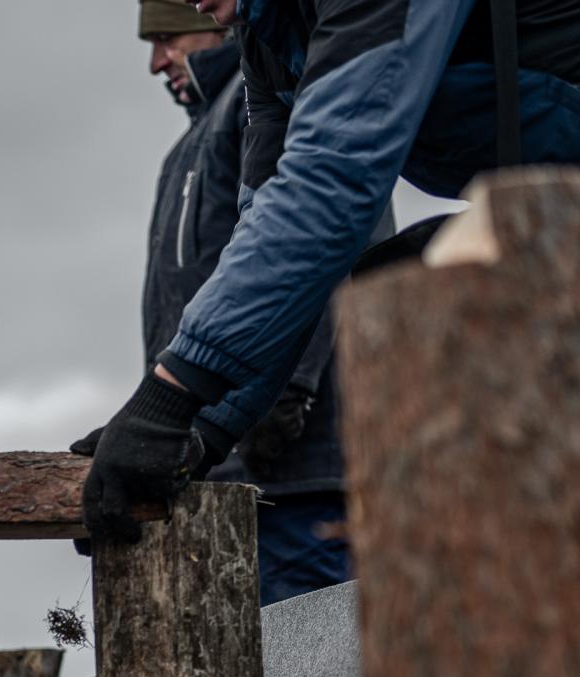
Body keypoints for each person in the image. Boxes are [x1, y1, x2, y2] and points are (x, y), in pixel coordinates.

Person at [77, 0, 580, 544]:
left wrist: (169, 394)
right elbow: (272, 227)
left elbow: (331, 180)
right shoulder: (269, 45)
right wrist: (198, 426)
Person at [81, 2, 360, 601]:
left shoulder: (280, 96)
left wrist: (289, 396)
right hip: (220, 470)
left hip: (297, 478)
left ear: (214, 26)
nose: (157, 63)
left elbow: (322, 240)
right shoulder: (188, 147)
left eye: (167, 39)